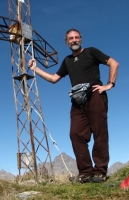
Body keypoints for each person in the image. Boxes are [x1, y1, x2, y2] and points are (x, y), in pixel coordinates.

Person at [28, 28, 119, 183]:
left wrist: (109, 84)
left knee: (99, 131)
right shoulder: (67, 61)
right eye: (71, 38)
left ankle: (100, 172)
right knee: (75, 133)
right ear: (67, 42)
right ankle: (85, 173)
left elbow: (113, 63)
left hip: (95, 93)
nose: (74, 40)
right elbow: (54, 78)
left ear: (80, 39)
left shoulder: (91, 52)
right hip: (77, 100)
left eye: (77, 37)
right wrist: (35, 69)